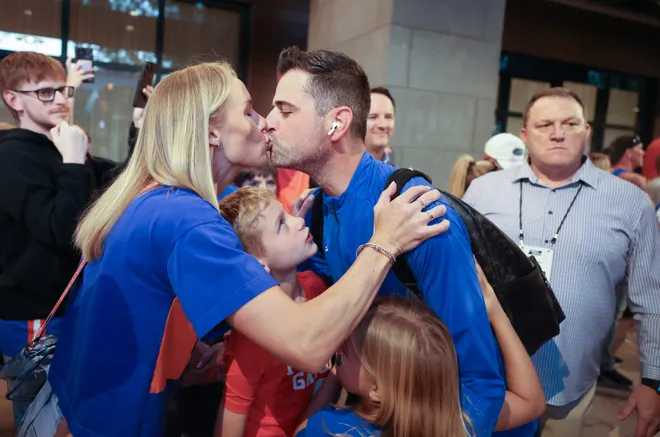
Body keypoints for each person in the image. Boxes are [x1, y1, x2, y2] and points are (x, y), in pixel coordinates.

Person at [17, 61, 447, 437]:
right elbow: (309, 343)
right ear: (210, 132)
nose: (264, 122)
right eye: (248, 111)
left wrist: (185, 352)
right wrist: (383, 243)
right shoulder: (186, 219)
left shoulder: (152, 198)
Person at [266, 47, 521, 437]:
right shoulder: (319, 209)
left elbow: (479, 384)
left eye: (284, 111)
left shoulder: (414, 209)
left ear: (336, 124)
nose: (268, 123)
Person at [463, 87, 660, 437]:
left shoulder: (630, 203)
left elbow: (652, 300)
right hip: (487, 381)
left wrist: (653, 380)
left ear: (586, 131)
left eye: (570, 123)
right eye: (545, 125)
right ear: (525, 135)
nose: (557, 133)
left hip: (567, 391)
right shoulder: (484, 192)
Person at [296, 262, 544, 437]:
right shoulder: (461, 419)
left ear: (378, 389)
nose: (337, 348)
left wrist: (333, 376)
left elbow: (301, 430)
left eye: (344, 352)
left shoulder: (333, 428)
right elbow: (530, 402)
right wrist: (494, 311)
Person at [0, 51, 98, 426]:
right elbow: (60, 229)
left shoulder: (56, 146)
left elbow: (109, 186)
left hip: (65, 305)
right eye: (45, 92)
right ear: (13, 99)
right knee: (42, 420)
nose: (59, 99)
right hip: (34, 311)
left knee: (68, 409)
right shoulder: (12, 156)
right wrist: (73, 162)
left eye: (62, 90)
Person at [215, 188, 330, 437]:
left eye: (288, 215)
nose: (299, 221)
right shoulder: (251, 340)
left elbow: (335, 372)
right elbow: (229, 427)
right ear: (257, 263)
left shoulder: (318, 288)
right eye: (281, 224)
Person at [365, 87, 396, 164]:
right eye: (373, 117)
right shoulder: (338, 171)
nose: (383, 125)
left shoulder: (396, 173)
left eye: (388, 117)